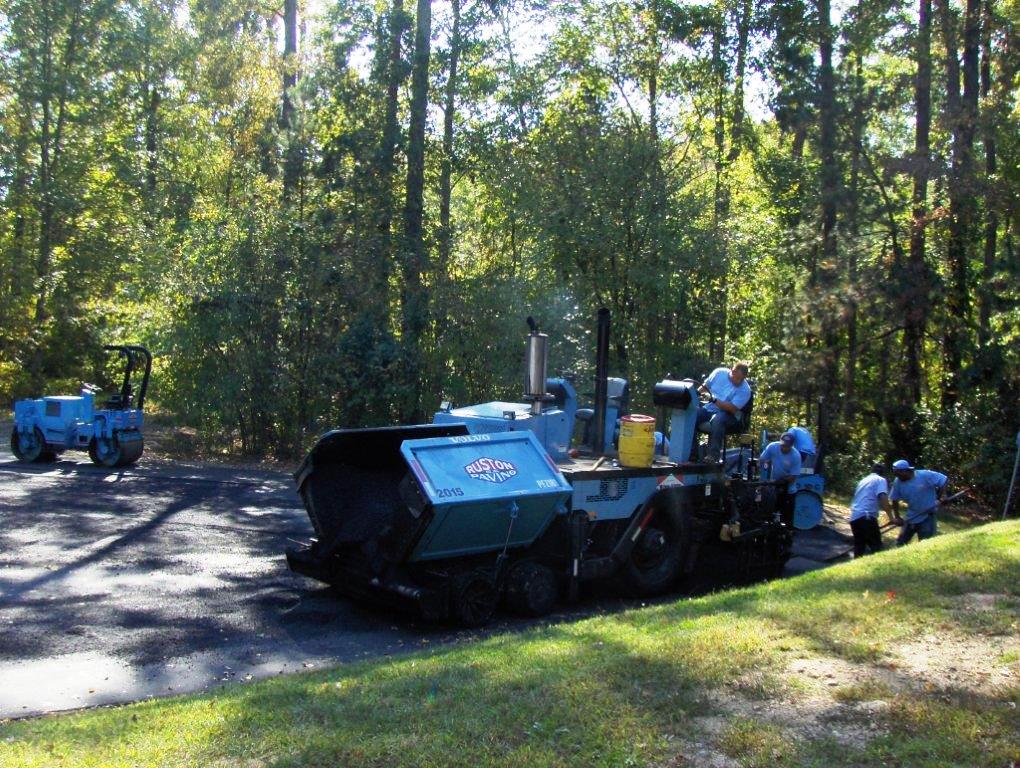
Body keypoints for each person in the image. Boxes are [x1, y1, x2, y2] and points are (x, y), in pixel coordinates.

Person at [695, 362, 752, 462]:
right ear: (732, 371)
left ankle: (713, 456)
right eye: (737, 378)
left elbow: (732, 408)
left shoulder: (745, 390)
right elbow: (705, 386)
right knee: (692, 416)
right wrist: (695, 393)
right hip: (709, 408)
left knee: (718, 420)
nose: (739, 381)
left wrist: (714, 400)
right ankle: (692, 454)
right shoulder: (719, 373)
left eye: (741, 379)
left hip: (730, 415)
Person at [889, 459, 948, 546]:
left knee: (926, 544)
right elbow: (894, 499)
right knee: (900, 543)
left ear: (906, 470)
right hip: (911, 516)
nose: (898, 477)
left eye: (898, 474)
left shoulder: (924, 475)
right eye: (896, 474)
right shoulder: (897, 482)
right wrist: (897, 517)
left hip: (927, 515)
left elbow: (943, 480)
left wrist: (942, 496)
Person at [849, 462, 892, 557]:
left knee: (859, 547)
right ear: (883, 473)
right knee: (876, 548)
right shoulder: (880, 480)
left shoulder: (863, 480)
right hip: (866, 516)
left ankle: (856, 564)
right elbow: (883, 498)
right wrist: (892, 518)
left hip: (854, 517)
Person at [759, 432, 802, 526]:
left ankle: (788, 531)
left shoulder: (796, 456)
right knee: (771, 513)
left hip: (788, 489)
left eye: (787, 446)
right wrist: (765, 466)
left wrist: (780, 481)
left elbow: (793, 476)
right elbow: (762, 459)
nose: (784, 448)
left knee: (787, 518)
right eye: (782, 445)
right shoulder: (772, 447)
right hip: (774, 488)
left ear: (791, 446)